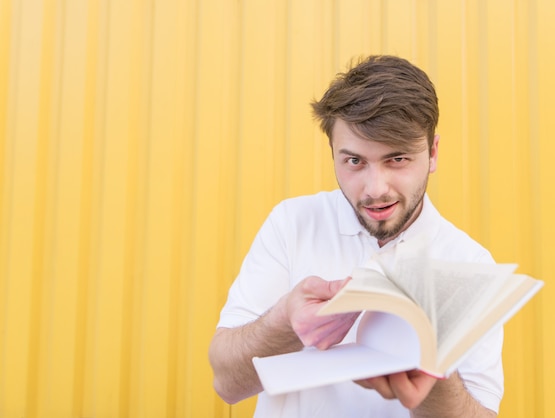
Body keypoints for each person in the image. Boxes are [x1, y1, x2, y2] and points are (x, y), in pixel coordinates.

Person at [209, 55, 502, 417]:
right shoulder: (292, 223)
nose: (375, 189)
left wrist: (432, 371)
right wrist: (285, 321)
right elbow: (226, 383)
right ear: (333, 153)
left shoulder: (470, 265)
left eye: (397, 160)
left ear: (433, 154)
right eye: (354, 162)